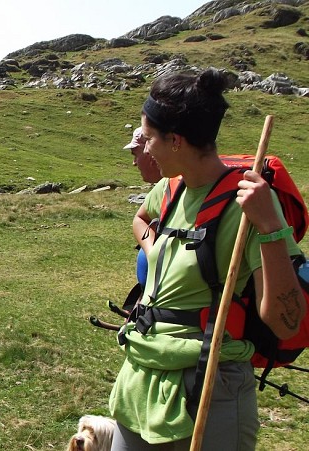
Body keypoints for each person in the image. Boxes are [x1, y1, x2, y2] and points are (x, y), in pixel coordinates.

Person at [108, 68, 306, 450]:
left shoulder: (249, 207)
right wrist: (159, 253)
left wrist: (270, 226)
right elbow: (141, 219)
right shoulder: (169, 189)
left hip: (207, 387)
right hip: (139, 379)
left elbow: (286, 322)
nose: (144, 150)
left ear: (176, 140)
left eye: (148, 139)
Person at [122, 127, 162, 286]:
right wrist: (153, 254)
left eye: (135, 154)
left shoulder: (176, 185)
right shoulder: (163, 189)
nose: (134, 163)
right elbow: (140, 218)